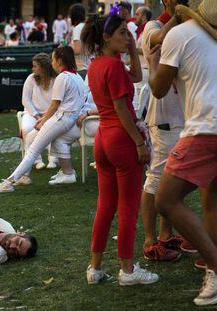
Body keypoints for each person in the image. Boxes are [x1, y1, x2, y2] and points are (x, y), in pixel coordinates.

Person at [147, 0, 217, 305]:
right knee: (214, 202)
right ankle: (215, 276)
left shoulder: (179, 35)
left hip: (207, 127)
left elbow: (158, 88)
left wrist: (154, 63)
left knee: (165, 199)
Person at [81, 11, 159, 286]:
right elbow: (122, 108)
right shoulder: (113, 67)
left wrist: (134, 50)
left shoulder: (98, 64)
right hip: (121, 138)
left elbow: (137, 77)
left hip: (103, 138)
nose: (128, 37)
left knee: (105, 205)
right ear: (106, 36)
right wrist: (139, 141)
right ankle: (127, 270)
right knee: (127, 206)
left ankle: (95, 267)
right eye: (123, 33)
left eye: (129, 33)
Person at [0, 46, 86, 194]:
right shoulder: (77, 76)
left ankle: (9, 182)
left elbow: (55, 105)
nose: (51, 62)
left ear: (59, 60)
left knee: (33, 149)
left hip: (61, 119)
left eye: (53, 59)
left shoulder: (62, 77)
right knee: (50, 140)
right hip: (70, 121)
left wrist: (42, 121)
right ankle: (68, 173)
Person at [139, 0, 185, 262]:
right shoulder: (153, 26)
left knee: (172, 182)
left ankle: (166, 235)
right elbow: (156, 37)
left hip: (181, 117)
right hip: (165, 118)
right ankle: (149, 240)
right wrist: (179, 16)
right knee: (156, 179)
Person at [20, 53, 58, 178]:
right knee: (27, 129)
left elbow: (57, 102)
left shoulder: (55, 79)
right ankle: (37, 160)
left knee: (52, 127)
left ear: (43, 67)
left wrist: (46, 116)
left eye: (35, 66)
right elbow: (25, 100)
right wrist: (36, 116)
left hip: (51, 113)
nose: (33, 69)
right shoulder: (31, 79)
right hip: (32, 113)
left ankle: (53, 157)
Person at [69, 4, 88, 79]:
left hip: (81, 68)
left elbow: (77, 50)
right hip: (89, 67)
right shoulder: (86, 26)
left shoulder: (78, 28)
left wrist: (66, 48)